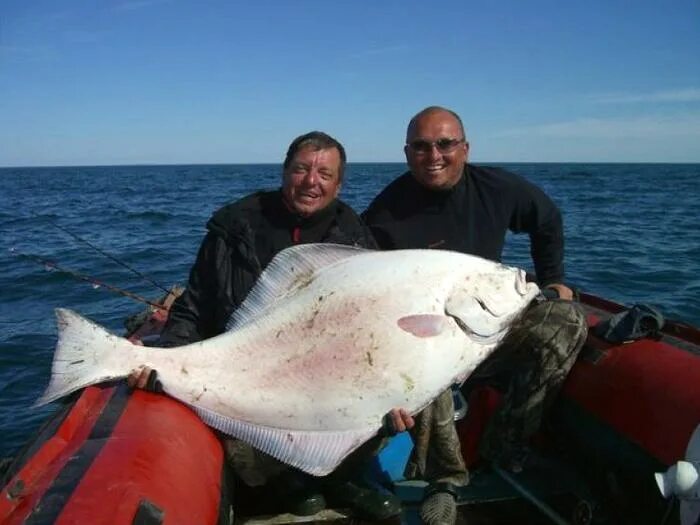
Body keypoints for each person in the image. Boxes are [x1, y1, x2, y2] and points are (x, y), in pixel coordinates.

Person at [129, 131, 407, 520]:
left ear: (339, 185)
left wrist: (394, 390)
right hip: (243, 371)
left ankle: (339, 476)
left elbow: (377, 330)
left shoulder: (358, 241)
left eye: (325, 174)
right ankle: (284, 486)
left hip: (324, 377)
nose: (312, 181)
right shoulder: (235, 226)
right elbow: (195, 306)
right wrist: (168, 360)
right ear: (284, 172)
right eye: (301, 169)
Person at [363, 106, 588, 525]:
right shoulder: (383, 215)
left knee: (567, 322)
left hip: (491, 327)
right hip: (428, 337)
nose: (434, 155)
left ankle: (504, 448)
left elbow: (547, 220)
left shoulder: (497, 188)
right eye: (421, 146)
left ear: (465, 148)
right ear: (407, 152)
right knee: (425, 361)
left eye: (445, 144)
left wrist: (555, 280)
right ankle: (443, 480)